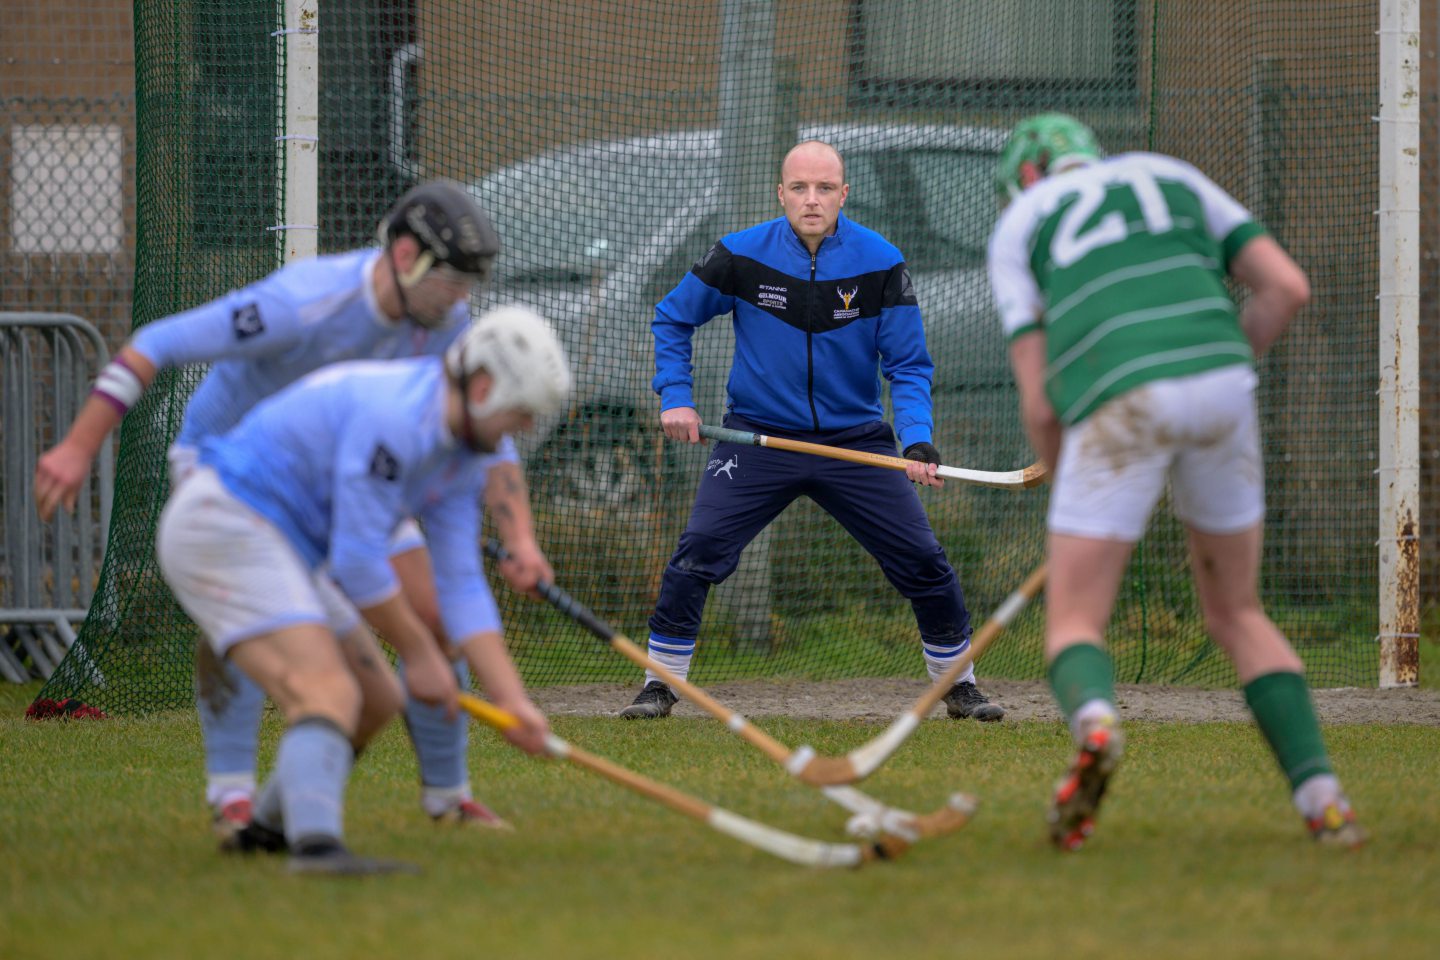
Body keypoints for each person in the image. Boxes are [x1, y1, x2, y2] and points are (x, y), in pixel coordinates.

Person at [34, 180, 550, 835]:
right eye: (452, 281)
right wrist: (79, 445)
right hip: (228, 466)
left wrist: (520, 540)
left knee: (437, 616)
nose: (462, 300)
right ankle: (233, 794)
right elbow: (158, 342)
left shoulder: (444, 322)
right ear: (404, 256)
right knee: (254, 614)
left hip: (351, 471)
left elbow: (488, 427)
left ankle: (448, 796)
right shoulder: (305, 302)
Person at [987, 113, 1365, 850]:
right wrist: (1216, 374)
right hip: (1223, 380)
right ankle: (1325, 803)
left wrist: (1073, 490)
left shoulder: (1021, 224)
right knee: (1238, 612)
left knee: (1074, 621)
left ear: (1025, 178)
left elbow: (1040, 401)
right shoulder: (1169, 173)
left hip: (1118, 396)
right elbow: (1287, 288)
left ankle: (1097, 725)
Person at [152, 306, 570, 873]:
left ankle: (264, 835)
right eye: (520, 413)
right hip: (225, 527)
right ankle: (317, 850)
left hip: (285, 546)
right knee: (328, 690)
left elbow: (461, 583)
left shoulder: (458, 456)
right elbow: (356, 560)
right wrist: (420, 653)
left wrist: (512, 701)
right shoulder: (397, 419)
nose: (520, 430)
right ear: (482, 389)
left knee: (376, 700)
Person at [619, 139, 1003, 722]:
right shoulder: (740, 254)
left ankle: (960, 686)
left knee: (923, 560)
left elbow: (907, 365)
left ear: (844, 194)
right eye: (799, 187)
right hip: (758, 437)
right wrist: (677, 398)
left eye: (824, 188)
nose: (812, 199)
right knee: (699, 550)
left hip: (855, 443)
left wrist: (916, 438)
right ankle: (659, 686)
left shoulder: (881, 262)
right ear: (781, 193)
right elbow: (672, 317)